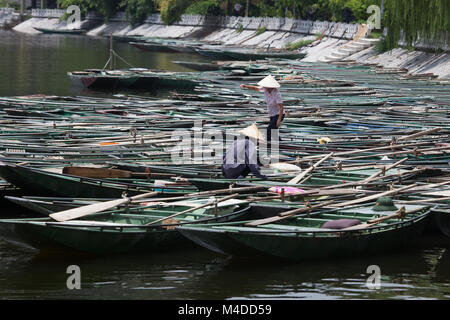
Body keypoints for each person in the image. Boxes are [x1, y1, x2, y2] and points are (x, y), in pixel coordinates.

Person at [240, 75, 287, 144]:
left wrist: (279, 120)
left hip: (279, 114)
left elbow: (281, 107)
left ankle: (268, 144)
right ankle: (281, 144)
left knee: (269, 129)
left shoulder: (277, 94)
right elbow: (255, 88)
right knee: (274, 132)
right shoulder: (265, 89)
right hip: (272, 114)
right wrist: (245, 86)